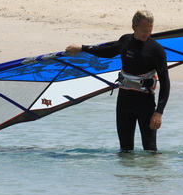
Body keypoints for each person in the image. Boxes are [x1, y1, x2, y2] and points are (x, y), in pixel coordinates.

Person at [65, 10, 170, 152]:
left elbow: (165, 83)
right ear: (134, 27)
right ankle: (125, 175)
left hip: (145, 105)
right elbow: (107, 51)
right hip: (124, 103)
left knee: (150, 150)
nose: (148, 34)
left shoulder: (156, 50)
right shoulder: (125, 41)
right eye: (144, 31)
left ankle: (150, 175)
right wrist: (83, 48)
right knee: (125, 150)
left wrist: (159, 112)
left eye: (150, 30)